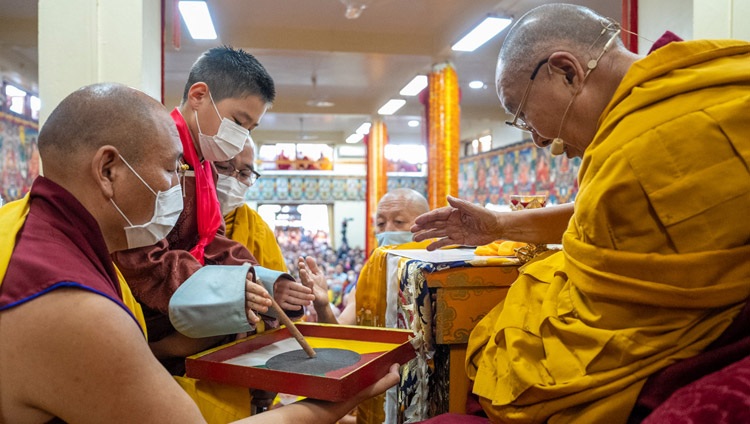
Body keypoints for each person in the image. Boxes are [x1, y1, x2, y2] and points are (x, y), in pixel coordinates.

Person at [411, 3, 750, 423]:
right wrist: (499, 225)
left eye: (522, 114)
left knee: (507, 349)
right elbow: (602, 212)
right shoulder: (716, 76)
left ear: (567, 72)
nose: (536, 138)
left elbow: (606, 325)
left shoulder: (641, 149)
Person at [0, 82, 399, 424]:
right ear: (108, 170)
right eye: (174, 168)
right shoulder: (70, 302)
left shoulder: (26, 226)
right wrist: (325, 407)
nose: (180, 185)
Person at [111, 46, 313, 378]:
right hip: (138, 313)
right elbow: (136, 252)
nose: (242, 136)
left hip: (175, 301)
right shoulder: (155, 153)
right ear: (199, 95)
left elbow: (211, 239)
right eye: (238, 121)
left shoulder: (201, 163)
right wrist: (225, 289)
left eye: (251, 128)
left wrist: (260, 283)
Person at [300, 188, 430, 326]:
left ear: (426, 226)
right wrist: (323, 306)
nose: (387, 230)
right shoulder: (371, 273)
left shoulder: (442, 269)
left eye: (399, 221)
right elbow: (341, 329)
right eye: (381, 223)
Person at [215, 136, 291, 273]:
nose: (233, 180)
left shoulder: (258, 229)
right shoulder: (182, 218)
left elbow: (277, 288)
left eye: (244, 174)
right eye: (223, 167)